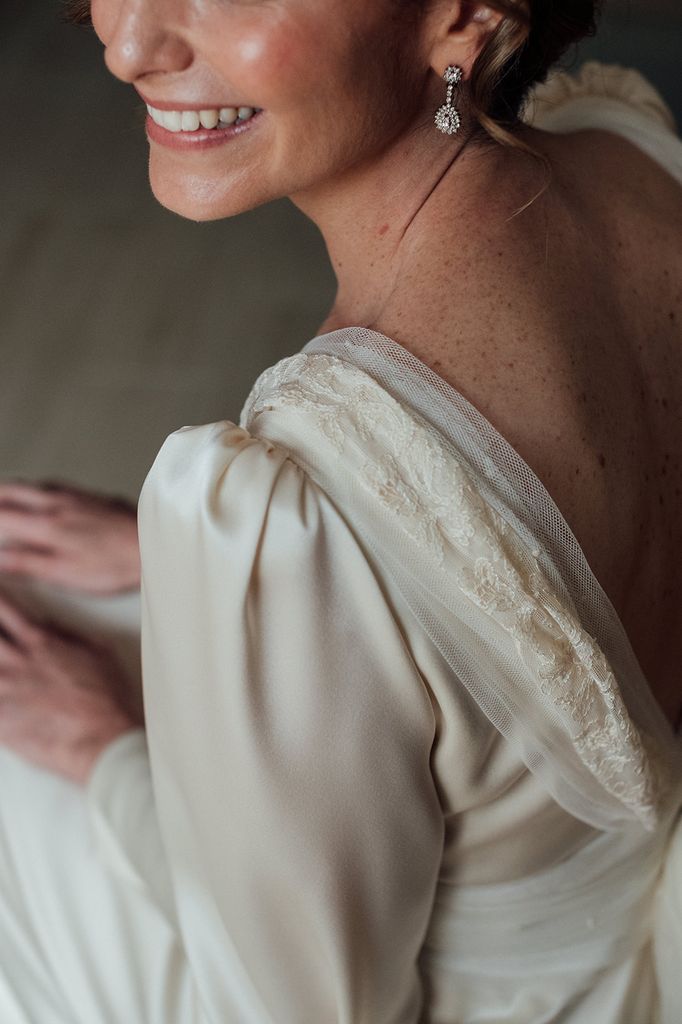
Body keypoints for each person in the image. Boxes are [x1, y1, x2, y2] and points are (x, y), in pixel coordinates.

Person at [0, 0, 680, 1021]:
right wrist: (198, 569)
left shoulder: (301, 501)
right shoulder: (638, 158)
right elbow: (515, 605)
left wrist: (103, 747)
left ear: (461, 15)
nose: (128, 42)